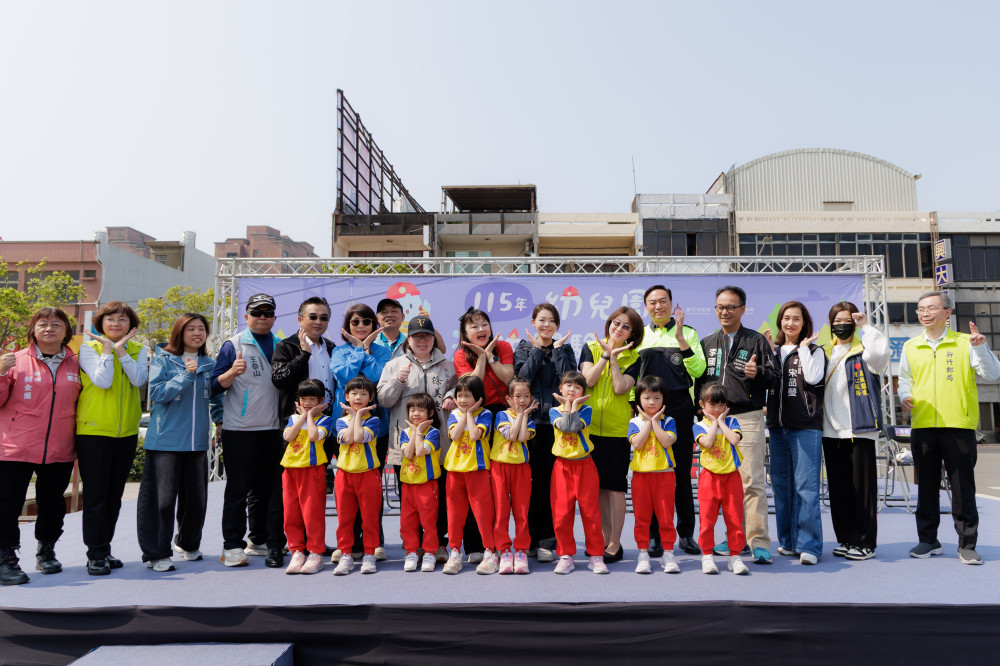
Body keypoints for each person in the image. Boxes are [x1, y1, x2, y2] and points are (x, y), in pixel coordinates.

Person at [899, 291, 1000, 565]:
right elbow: (905, 379)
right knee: (926, 487)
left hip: (958, 426)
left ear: (947, 313)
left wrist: (981, 348)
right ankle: (928, 540)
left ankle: (967, 545)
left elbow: (992, 374)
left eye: (931, 308)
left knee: (962, 488)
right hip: (923, 426)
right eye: (921, 309)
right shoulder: (911, 346)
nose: (925, 313)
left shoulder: (966, 342)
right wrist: (904, 395)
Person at [0, 307, 82, 586]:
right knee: (7, 504)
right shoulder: (14, 360)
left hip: (60, 446)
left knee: (53, 503)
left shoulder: (77, 363)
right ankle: (5, 558)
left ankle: (46, 551)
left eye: (56, 324)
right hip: (15, 446)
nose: (49, 328)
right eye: (43, 323)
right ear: (33, 330)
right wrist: (0, 373)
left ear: (66, 330)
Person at [697, 285, 778, 564]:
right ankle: (735, 539)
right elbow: (699, 380)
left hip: (746, 417)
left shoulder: (756, 341)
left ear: (743, 309)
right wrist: (703, 415)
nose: (725, 312)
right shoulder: (707, 342)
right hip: (713, 421)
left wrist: (758, 373)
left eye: (731, 307)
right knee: (725, 484)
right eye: (720, 307)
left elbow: (774, 377)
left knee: (751, 481)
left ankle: (758, 542)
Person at [137, 313, 216, 573]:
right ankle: (157, 553)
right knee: (161, 502)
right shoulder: (164, 359)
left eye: (201, 329)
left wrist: (220, 421)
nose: (197, 333)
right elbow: (157, 393)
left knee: (196, 499)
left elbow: (216, 396)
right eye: (191, 329)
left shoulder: (209, 363)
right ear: (179, 332)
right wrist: (185, 376)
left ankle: (188, 543)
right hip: (165, 442)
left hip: (197, 442)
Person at [211, 293, 284, 569]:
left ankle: (259, 538)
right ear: (246, 316)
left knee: (265, 490)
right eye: (256, 313)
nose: (262, 317)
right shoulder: (233, 344)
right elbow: (213, 386)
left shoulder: (280, 344)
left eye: (267, 313)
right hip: (240, 430)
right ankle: (231, 544)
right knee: (237, 490)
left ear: (274, 317)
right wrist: (231, 373)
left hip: (272, 430)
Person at [377, 316, 457, 565]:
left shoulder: (447, 365)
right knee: (409, 499)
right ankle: (413, 545)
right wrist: (398, 380)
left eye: (427, 336)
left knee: (439, 496)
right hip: (406, 445)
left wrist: (452, 395)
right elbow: (383, 400)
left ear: (434, 338)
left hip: (438, 442)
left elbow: (457, 389)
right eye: (416, 336)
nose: (422, 340)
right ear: (408, 340)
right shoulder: (395, 364)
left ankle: (439, 543)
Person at [76, 301, 146, 576]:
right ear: (101, 323)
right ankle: (95, 553)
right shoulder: (88, 348)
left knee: (114, 495)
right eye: (111, 319)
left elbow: (139, 380)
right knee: (96, 495)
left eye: (122, 319)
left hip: (126, 432)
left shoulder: (137, 349)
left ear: (131, 325)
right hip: (94, 431)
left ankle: (104, 548)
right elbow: (102, 381)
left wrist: (122, 351)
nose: (116, 323)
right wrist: (107, 350)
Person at [636, 285, 705, 557]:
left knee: (681, 474)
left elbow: (698, 370)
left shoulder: (689, 333)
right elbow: (633, 375)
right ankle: (654, 536)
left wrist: (681, 339)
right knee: (653, 474)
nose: (658, 306)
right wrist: (636, 409)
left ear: (671, 303)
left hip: (680, 408)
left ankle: (686, 534)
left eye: (663, 301)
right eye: (652, 302)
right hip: (647, 411)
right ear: (646, 307)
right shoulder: (639, 335)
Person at [821, 301, 889, 561]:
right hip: (830, 431)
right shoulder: (825, 352)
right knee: (839, 489)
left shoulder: (864, 351)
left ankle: (865, 542)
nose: (842, 325)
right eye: (837, 321)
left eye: (847, 321)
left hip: (858, 430)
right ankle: (847, 538)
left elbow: (881, 356)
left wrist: (865, 326)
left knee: (863, 489)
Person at [272, 295, 337, 563]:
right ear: (300, 320)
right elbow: (279, 380)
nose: (318, 322)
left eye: (323, 317)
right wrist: (304, 354)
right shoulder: (287, 346)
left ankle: (315, 544)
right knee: (288, 495)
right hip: (295, 430)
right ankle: (282, 545)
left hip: (324, 428)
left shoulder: (331, 347)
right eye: (312, 317)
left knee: (318, 493)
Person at [579, 306, 643, 564]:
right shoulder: (590, 348)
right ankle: (604, 539)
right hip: (589, 429)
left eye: (626, 327)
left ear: (632, 334)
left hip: (617, 431)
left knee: (615, 488)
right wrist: (605, 355)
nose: (619, 328)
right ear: (609, 323)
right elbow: (588, 381)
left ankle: (616, 542)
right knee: (598, 489)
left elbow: (619, 387)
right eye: (616, 323)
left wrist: (615, 358)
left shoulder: (634, 358)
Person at [514, 303, 576, 563]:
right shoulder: (524, 348)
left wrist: (558, 350)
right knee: (528, 485)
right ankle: (528, 540)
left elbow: (569, 381)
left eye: (551, 321)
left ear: (557, 325)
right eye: (541, 320)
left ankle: (548, 541)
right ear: (533, 322)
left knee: (552, 485)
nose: (546, 325)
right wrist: (538, 351)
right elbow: (522, 380)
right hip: (529, 424)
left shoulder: (566, 349)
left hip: (556, 425)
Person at [765, 301, 826, 566]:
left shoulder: (814, 351)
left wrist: (802, 349)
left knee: (806, 488)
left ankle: (809, 545)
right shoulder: (774, 351)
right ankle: (788, 542)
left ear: (804, 323)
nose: (790, 323)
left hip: (805, 427)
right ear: (780, 321)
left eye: (796, 319)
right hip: (777, 428)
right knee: (781, 487)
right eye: (786, 318)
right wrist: (769, 353)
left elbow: (813, 378)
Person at [453, 307, 514, 561]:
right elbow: (472, 387)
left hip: (500, 413)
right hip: (474, 415)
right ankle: (475, 546)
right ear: (465, 332)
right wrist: (479, 357)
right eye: (474, 326)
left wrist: (490, 357)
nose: (481, 329)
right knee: (473, 480)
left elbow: (508, 378)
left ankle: (498, 542)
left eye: (484, 324)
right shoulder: (460, 354)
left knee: (496, 481)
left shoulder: (504, 347)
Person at [332, 303, 391, 561]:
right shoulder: (339, 351)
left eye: (366, 322)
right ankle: (350, 543)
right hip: (344, 425)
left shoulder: (383, 351)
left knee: (371, 488)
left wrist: (366, 350)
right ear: (347, 325)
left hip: (375, 426)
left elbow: (377, 378)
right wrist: (358, 350)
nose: (361, 326)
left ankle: (374, 542)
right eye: (355, 321)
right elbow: (346, 377)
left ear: (374, 325)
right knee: (347, 489)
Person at [550, 371, 607, 575]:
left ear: (583, 392)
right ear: (560, 388)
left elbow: (574, 427)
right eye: (568, 385)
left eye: (577, 387)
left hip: (585, 466)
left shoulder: (587, 409)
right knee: (562, 514)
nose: (572, 390)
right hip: (562, 467)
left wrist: (573, 406)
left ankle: (596, 555)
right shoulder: (554, 411)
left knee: (591, 512)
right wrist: (567, 405)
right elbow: (565, 426)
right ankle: (566, 555)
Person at [442, 375, 499, 575]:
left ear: (478, 397)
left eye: (468, 396)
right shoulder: (454, 414)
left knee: (483, 513)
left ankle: (490, 552)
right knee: (454, 514)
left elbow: (475, 435)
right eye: (460, 396)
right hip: (454, 470)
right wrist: (464, 414)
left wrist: (469, 414)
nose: (463, 400)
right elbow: (454, 435)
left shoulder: (486, 414)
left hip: (477, 469)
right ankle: (455, 552)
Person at [693, 383, 749, 576]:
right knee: (707, 520)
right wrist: (713, 423)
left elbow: (734, 440)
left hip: (732, 477)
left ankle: (735, 557)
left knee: (734, 520)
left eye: (721, 405)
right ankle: (707, 556)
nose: (717, 409)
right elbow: (707, 443)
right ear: (702, 404)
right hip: (709, 478)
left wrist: (721, 422)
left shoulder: (731, 422)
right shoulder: (699, 426)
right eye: (712, 404)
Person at [627, 376, 678, 574]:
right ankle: (642, 554)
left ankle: (668, 554)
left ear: (663, 399)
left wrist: (654, 421)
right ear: (639, 399)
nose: (651, 402)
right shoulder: (634, 422)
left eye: (657, 398)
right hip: (641, 477)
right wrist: (648, 422)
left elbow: (666, 442)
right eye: (647, 398)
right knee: (641, 518)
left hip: (665, 475)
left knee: (666, 517)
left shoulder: (669, 421)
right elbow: (637, 443)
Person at [332, 376, 382, 575]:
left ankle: (369, 554)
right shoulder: (340, 421)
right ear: (346, 396)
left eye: (363, 394)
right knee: (345, 518)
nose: (358, 397)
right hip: (344, 475)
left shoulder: (374, 420)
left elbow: (359, 437)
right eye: (354, 393)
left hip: (368, 475)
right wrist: (354, 416)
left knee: (369, 518)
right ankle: (346, 554)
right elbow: (347, 438)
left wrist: (358, 415)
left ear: (371, 398)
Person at [281, 379, 332, 575]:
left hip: (312, 470)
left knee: (312, 514)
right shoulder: (294, 418)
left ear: (321, 400)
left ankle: (316, 553)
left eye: (312, 399)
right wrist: (303, 416)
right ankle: (297, 551)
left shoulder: (325, 420)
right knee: (291, 513)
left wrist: (309, 416)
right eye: (304, 399)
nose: (307, 403)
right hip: (290, 470)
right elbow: (288, 437)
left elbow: (313, 436)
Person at [490, 377, 538, 575]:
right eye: (517, 396)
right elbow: (510, 435)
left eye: (526, 396)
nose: (522, 400)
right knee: (501, 511)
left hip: (521, 468)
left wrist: (523, 416)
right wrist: (520, 415)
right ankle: (503, 550)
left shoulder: (531, 420)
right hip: (500, 467)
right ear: (508, 398)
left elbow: (522, 437)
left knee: (522, 511)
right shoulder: (501, 415)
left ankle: (520, 551)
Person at [398, 393, 442, 573]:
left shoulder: (433, 432)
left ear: (430, 413)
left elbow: (420, 451)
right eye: (412, 410)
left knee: (428, 521)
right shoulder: (404, 432)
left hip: (427, 484)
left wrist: (417, 432)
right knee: (407, 522)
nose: (416, 413)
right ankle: (411, 552)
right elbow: (408, 454)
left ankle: (430, 552)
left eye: (421, 410)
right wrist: (414, 432)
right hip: (408, 484)